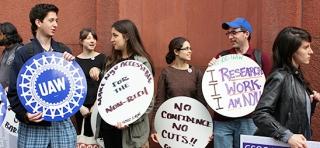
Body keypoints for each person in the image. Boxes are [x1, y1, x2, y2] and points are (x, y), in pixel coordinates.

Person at [7, 3, 76, 147]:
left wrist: (71, 65)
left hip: (61, 123)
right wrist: (25, 115)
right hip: (34, 124)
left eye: (56, 20)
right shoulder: (24, 53)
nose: (55, 24)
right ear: (38, 22)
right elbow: (13, 91)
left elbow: (76, 86)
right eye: (51, 20)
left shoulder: (63, 51)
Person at [208, 17, 272, 148]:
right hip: (222, 120)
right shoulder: (222, 57)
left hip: (249, 120)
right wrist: (211, 70)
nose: (230, 37)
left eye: (234, 32)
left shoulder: (260, 57)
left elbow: (270, 89)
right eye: (228, 33)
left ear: (246, 34)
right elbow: (212, 86)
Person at [252, 27, 320, 148]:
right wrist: (288, 136)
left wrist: (311, 102)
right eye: (306, 47)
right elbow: (260, 114)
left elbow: (294, 116)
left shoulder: (297, 77)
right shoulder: (279, 77)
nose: (311, 52)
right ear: (291, 50)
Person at [92, 19, 155, 148]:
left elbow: (148, 101)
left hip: (131, 132)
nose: (111, 39)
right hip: (109, 128)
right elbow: (106, 92)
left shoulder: (142, 63)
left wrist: (129, 119)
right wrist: (97, 70)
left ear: (126, 37)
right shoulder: (110, 62)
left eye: (115, 35)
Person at [150, 37, 207, 143]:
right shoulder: (166, 73)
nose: (190, 51)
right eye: (186, 48)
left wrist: (206, 129)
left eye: (190, 48)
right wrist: (154, 128)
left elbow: (202, 104)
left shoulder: (196, 73)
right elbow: (159, 102)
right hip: (171, 127)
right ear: (176, 51)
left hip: (191, 125)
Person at [74, 28, 107, 136]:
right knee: (84, 138)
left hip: (99, 105)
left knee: (99, 138)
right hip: (81, 107)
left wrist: (96, 105)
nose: (92, 41)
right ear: (81, 41)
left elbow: (106, 84)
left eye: (94, 38)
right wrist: (80, 107)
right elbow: (72, 87)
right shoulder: (75, 61)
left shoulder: (102, 58)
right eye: (88, 38)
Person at [0, 22, 23, 91]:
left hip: (12, 95)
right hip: (3, 95)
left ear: (7, 35)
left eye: (0, 35)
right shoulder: (5, 51)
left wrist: (11, 87)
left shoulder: (19, 50)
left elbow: (23, 75)